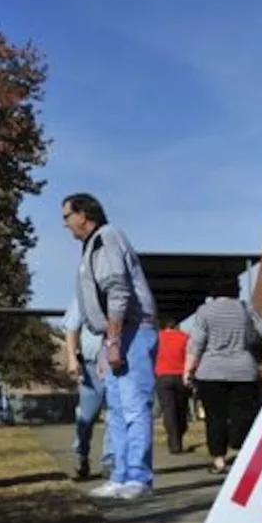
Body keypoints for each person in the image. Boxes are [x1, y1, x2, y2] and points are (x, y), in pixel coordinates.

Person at [62, 192, 158, 501]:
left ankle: (138, 477)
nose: (65, 225)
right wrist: (107, 343)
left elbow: (117, 290)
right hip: (114, 335)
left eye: (67, 217)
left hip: (132, 332)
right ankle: (119, 475)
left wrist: (114, 340)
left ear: (83, 215)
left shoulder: (107, 238)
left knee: (133, 406)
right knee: (115, 410)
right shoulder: (92, 245)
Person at [183, 277, 262, 475]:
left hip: (211, 371)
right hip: (244, 371)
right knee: (242, 413)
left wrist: (187, 370)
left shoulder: (205, 312)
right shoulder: (245, 307)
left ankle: (219, 461)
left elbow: (195, 344)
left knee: (215, 417)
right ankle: (238, 443)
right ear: (236, 291)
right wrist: (247, 337)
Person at [62, 297, 113, 479]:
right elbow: (71, 328)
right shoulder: (83, 297)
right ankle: (81, 455)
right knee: (87, 416)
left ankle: (110, 461)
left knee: (113, 415)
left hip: (116, 364)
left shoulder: (119, 296)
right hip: (91, 365)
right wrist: (72, 358)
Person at [155, 318, 189, 455]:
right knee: (181, 409)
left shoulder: (157, 338)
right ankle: (179, 435)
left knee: (169, 411)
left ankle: (174, 442)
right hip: (180, 376)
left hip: (162, 376)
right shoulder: (185, 337)